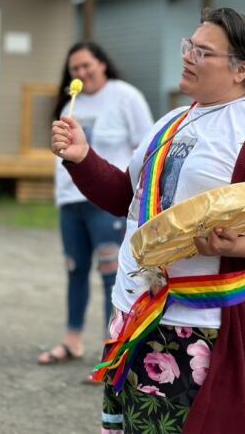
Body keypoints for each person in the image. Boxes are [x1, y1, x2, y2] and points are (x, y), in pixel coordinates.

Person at [52, 8, 245, 433]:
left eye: (202, 51)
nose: (188, 56)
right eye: (187, 46)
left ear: (240, 69)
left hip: (200, 326)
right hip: (136, 311)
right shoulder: (172, 121)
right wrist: (81, 158)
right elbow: (128, 198)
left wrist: (237, 246)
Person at [37, 42, 154, 365]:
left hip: (107, 200)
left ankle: (112, 351)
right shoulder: (69, 104)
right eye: (75, 69)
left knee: (111, 274)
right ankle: (72, 341)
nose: (82, 73)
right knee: (74, 270)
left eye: (87, 65)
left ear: (102, 64)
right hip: (70, 199)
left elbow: (146, 146)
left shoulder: (125, 96)